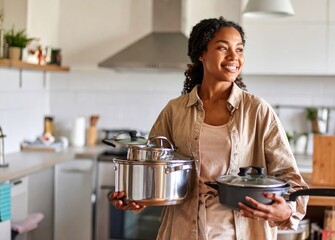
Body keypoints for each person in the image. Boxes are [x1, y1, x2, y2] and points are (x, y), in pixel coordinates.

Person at [108, 16, 309, 240]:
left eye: (240, 49)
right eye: (223, 48)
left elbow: (291, 178)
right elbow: (150, 171)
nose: (234, 57)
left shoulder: (258, 111)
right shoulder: (175, 111)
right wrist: (134, 198)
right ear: (201, 54)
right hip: (183, 232)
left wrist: (287, 210)